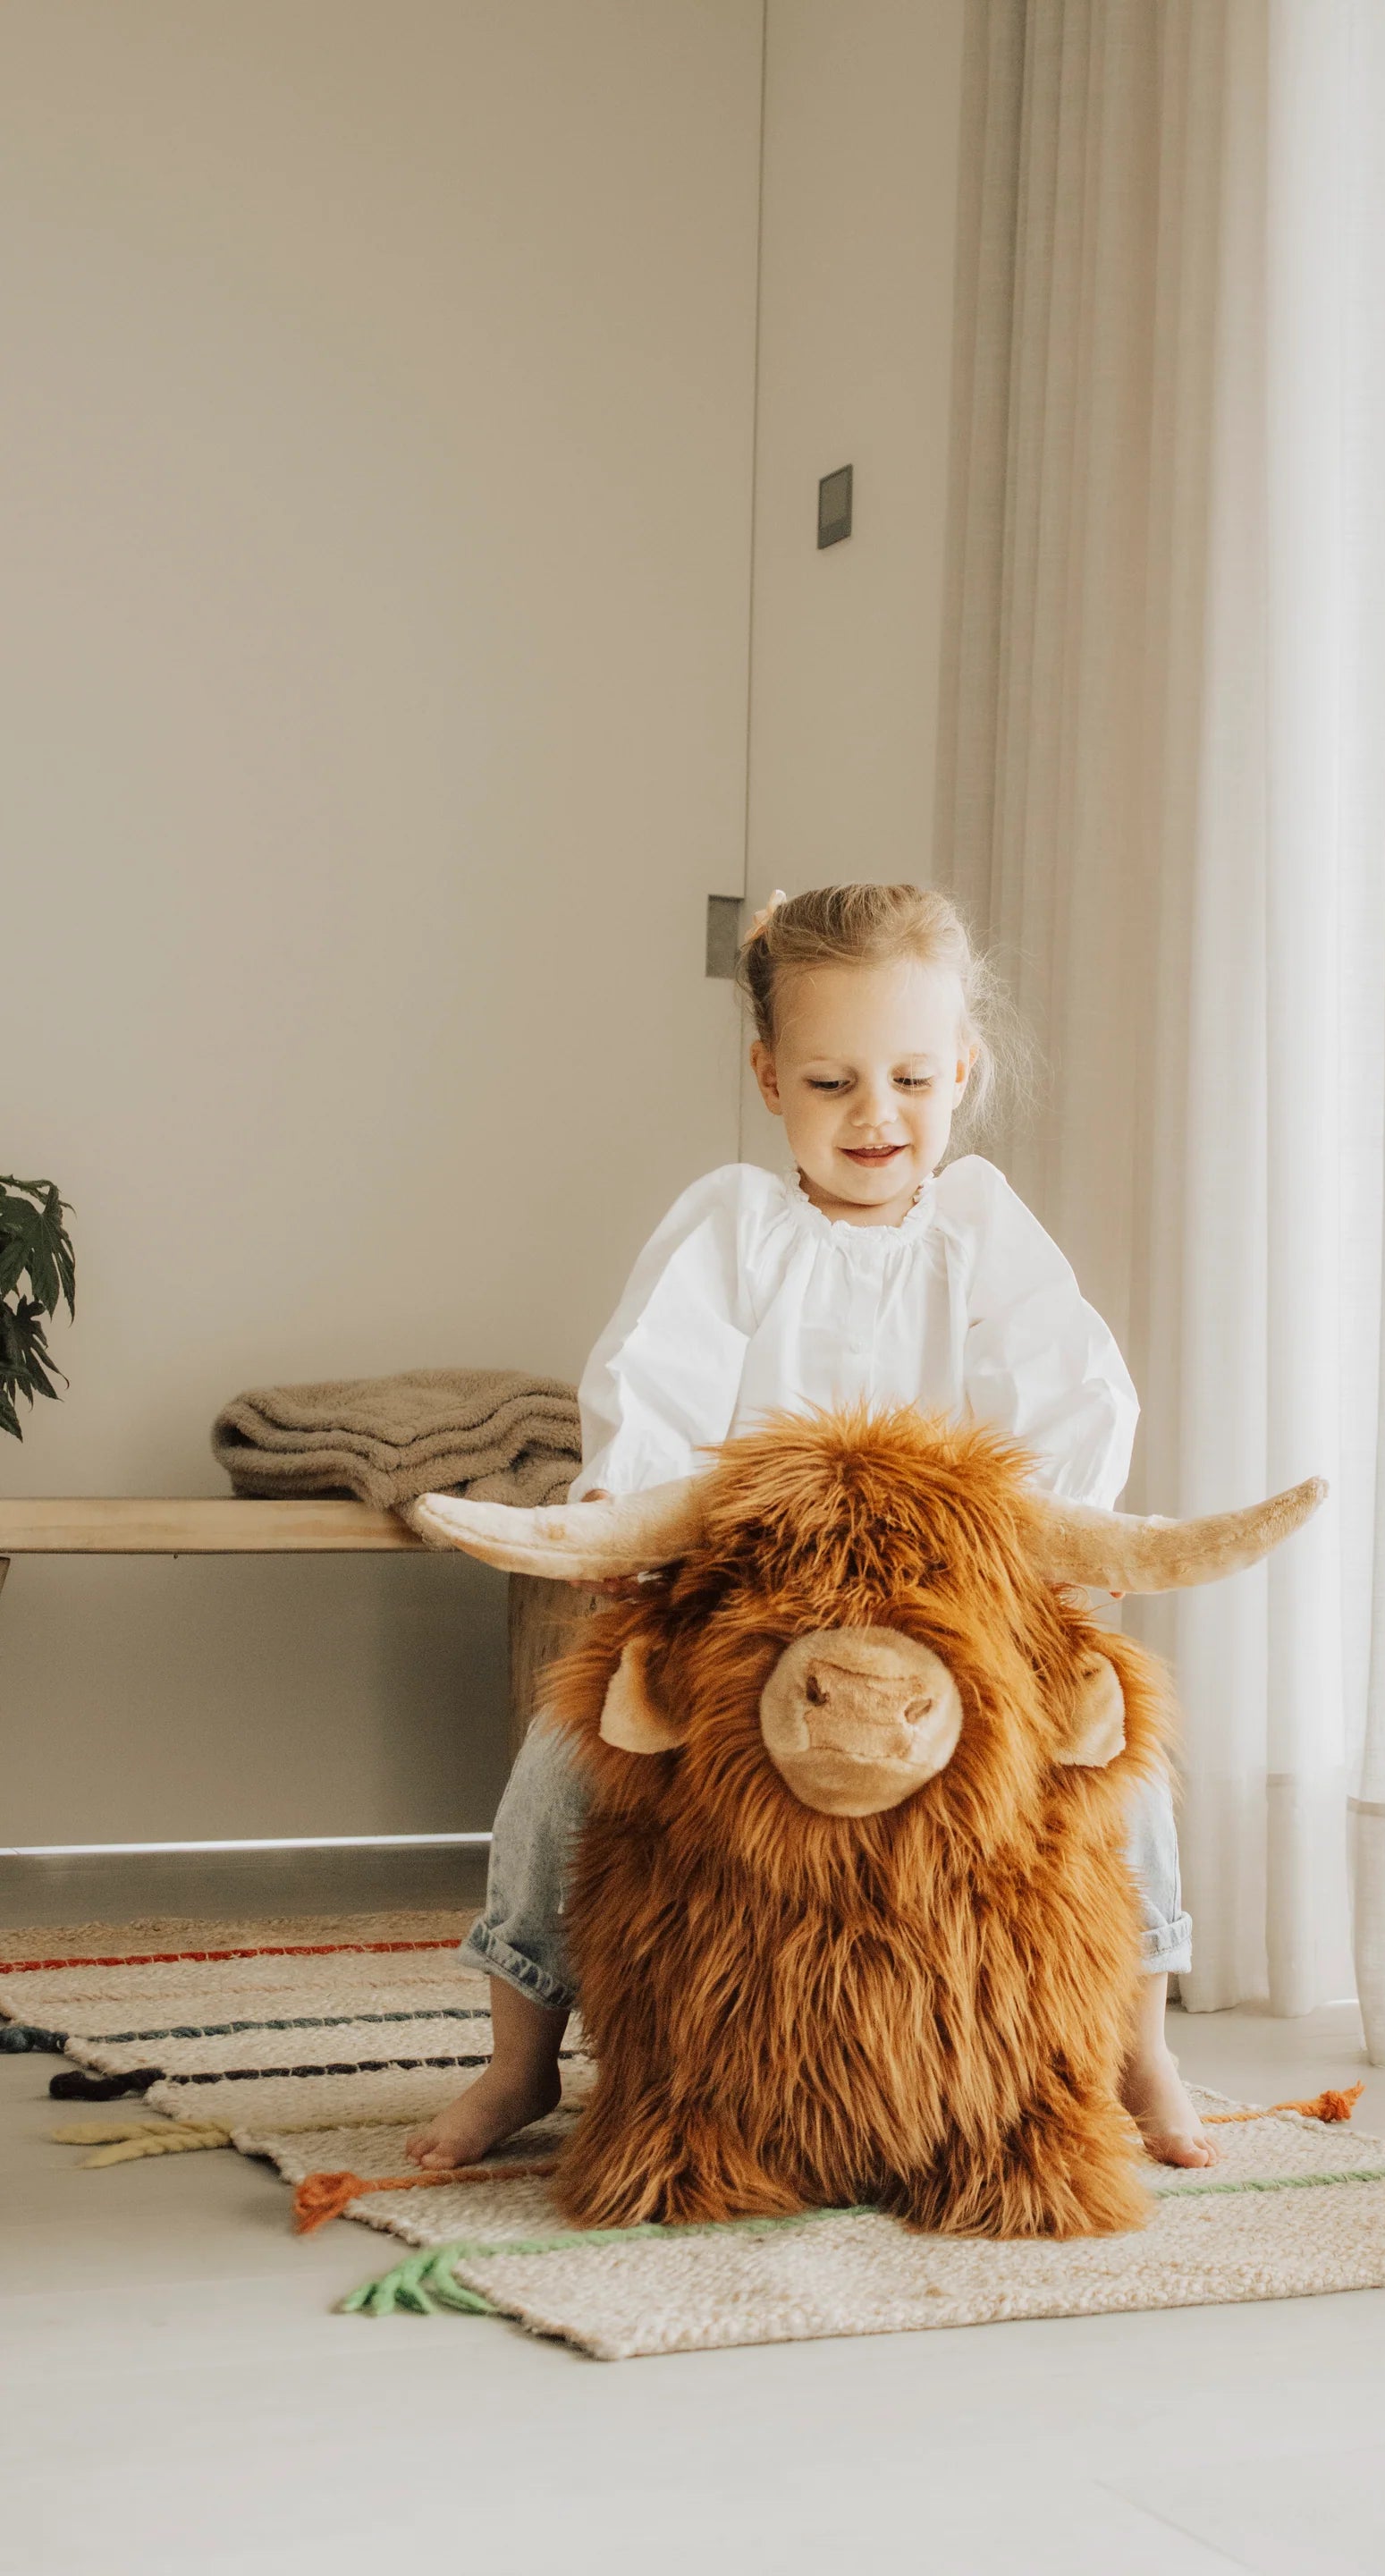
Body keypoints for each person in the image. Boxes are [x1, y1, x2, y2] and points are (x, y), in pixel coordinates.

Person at [405, 882, 1214, 2174]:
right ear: (769, 1077)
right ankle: (518, 2056)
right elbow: (655, 1375)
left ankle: (1143, 2045)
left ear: (963, 1069)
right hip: (755, 1609)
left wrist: (1054, 1548)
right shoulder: (733, 1228)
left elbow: (1072, 1386)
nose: (875, 1115)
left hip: (952, 1613)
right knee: (563, 1760)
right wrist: (630, 1508)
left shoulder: (981, 1232)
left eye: (911, 1079)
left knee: (1119, 1750)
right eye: (833, 1082)